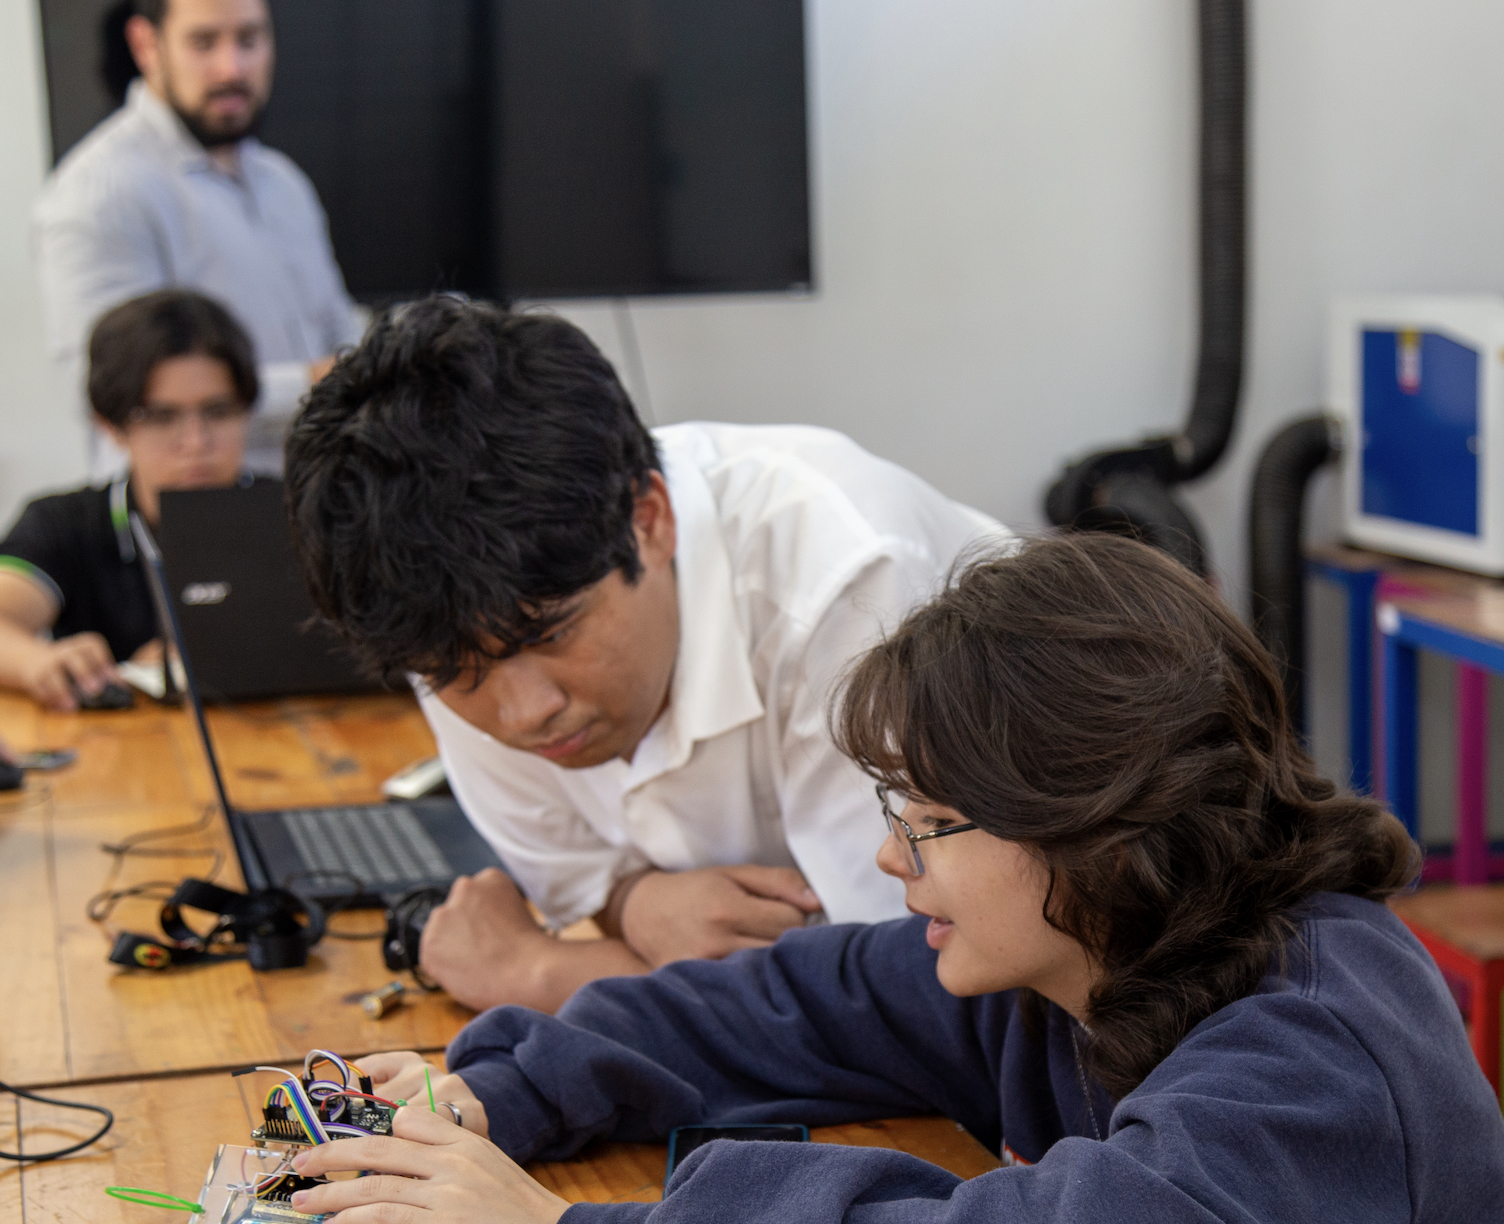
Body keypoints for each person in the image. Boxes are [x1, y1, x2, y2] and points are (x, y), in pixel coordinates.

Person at [279, 535, 1504, 1224]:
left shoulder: (1321, 1052)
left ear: (1099, 824)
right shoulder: (1076, 951)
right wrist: (500, 1090)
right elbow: (792, 1001)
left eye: (933, 821)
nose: (891, 856)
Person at [285, 296, 1005, 1012]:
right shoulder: (441, 614)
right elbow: (583, 880)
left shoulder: (851, 584)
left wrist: (539, 972)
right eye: (451, 673)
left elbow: (907, 998)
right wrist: (632, 901)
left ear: (651, 520)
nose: (526, 713)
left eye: (549, 635)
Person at [32, 0, 361, 473]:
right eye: (204, 43)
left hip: (309, 493)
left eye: (249, 39)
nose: (233, 68)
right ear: (145, 45)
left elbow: (338, 331)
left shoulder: (284, 183)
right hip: (186, 508)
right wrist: (319, 385)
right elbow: (112, 390)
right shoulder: (99, 192)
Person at [0, 289, 254, 710]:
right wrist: (39, 661)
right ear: (110, 425)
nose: (196, 442)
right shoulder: (65, 523)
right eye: (162, 417)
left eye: (218, 411)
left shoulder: (301, 512)